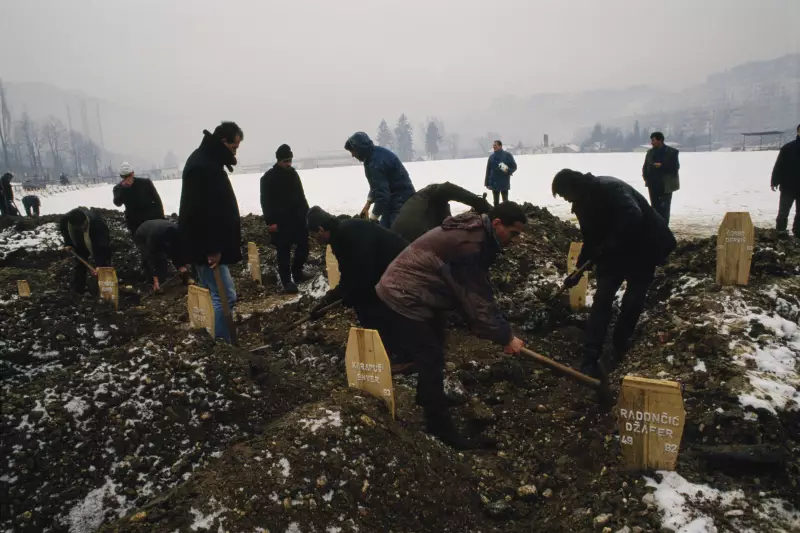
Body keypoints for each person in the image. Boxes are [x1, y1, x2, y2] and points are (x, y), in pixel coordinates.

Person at [374, 202, 527, 448]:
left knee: (436, 345)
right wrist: (506, 337)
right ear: (497, 224)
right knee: (430, 355)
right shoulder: (468, 245)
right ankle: (440, 428)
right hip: (404, 294)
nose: (516, 240)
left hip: (420, 290)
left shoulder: (479, 235)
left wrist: (493, 327)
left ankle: (428, 397)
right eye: (514, 233)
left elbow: (474, 290)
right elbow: (477, 301)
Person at [552, 169, 676, 379]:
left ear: (574, 187)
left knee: (633, 299)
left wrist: (607, 247)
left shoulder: (610, 188)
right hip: (615, 253)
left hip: (644, 248)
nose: (566, 200)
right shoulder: (581, 204)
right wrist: (579, 269)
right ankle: (590, 357)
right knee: (602, 299)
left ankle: (618, 347)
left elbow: (633, 216)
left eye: (565, 195)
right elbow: (590, 240)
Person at [178, 122, 243, 344]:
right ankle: (223, 345)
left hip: (206, 245)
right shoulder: (203, 166)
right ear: (224, 141)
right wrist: (214, 248)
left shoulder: (206, 160)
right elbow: (203, 212)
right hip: (207, 248)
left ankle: (219, 342)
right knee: (224, 296)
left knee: (218, 294)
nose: (235, 152)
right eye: (234, 147)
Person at [306, 206, 408, 331]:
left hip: (404, 267)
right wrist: (328, 301)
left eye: (313, 235)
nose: (314, 240)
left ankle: (382, 337)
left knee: (366, 302)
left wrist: (348, 296)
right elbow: (348, 275)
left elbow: (364, 275)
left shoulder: (347, 235)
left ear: (320, 230)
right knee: (361, 298)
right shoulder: (339, 234)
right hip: (386, 268)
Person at [260, 144, 311, 293]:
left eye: (290, 160)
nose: (288, 164)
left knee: (303, 246)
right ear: (278, 160)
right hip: (280, 222)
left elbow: (301, 196)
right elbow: (265, 202)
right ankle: (286, 282)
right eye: (285, 161)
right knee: (284, 251)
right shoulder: (268, 178)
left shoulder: (293, 174)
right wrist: (270, 222)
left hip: (298, 219)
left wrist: (306, 215)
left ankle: (297, 272)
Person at [344, 131, 415, 228]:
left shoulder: (376, 163)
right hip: (391, 202)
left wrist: (372, 219)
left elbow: (383, 195)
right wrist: (368, 203)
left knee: (395, 236)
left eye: (352, 151)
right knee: (383, 231)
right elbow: (376, 185)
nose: (352, 155)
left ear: (359, 149)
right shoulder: (372, 157)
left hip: (401, 202)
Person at [391, 182, 492, 242]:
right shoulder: (432, 193)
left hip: (398, 241)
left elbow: (446, 222)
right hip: (417, 238)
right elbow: (446, 188)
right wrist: (478, 202)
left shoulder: (418, 202)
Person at [60, 207, 112, 293]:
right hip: (79, 242)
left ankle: (105, 290)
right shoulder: (65, 221)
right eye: (79, 227)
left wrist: (99, 264)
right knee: (80, 264)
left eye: (84, 225)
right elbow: (65, 233)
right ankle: (78, 290)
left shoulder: (97, 224)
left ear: (85, 219)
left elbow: (102, 245)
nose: (82, 228)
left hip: (95, 241)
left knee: (103, 267)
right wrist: (68, 244)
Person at [134, 219, 189, 292]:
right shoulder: (153, 237)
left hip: (159, 228)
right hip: (142, 234)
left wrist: (181, 265)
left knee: (168, 254)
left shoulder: (178, 233)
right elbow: (150, 258)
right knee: (153, 257)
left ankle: (181, 276)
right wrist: (155, 280)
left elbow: (177, 251)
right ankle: (153, 283)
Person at [112, 162, 165, 235]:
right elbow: (117, 203)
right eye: (124, 177)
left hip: (151, 218)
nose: (127, 179)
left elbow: (157, 200)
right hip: (135, 223)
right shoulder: (118, 188)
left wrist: (162, 218)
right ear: (121, 177)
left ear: (133, 173)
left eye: (129, 175)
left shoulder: (145, 183)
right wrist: (123, 189)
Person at [642, 132, 680, 224]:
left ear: (660, 140)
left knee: (664, 210)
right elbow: (645, 166)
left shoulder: (672, 152)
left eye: (653, 140)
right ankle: (656, 229)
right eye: (651, 140)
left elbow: (675, 167)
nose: (652, 142)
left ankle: (664, 229)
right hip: (653, 185)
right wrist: (646, 178)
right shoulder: (650, 153)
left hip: (666, 186)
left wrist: (662, 166)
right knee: (655, 209)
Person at [770, 124, 800, 238]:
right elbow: (779, 165)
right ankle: (780, 232)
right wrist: (774, 181)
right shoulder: (788, 148)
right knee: (783, 212)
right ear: (798, 132)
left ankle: (798, 234)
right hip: (788, 187)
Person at [484, 140, 517, 207]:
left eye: (495, 145)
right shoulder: (491, 157)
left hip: (503, 182)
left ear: (500, 146)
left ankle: (506, 215)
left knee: (505, 202)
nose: (494, 146)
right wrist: (486, 182)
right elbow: (488, 170)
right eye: (493, 145)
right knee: (496, 202)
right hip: (494, 182)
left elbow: (514, 167)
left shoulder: (507, 155)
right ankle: (496, 216)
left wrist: (507, 170)